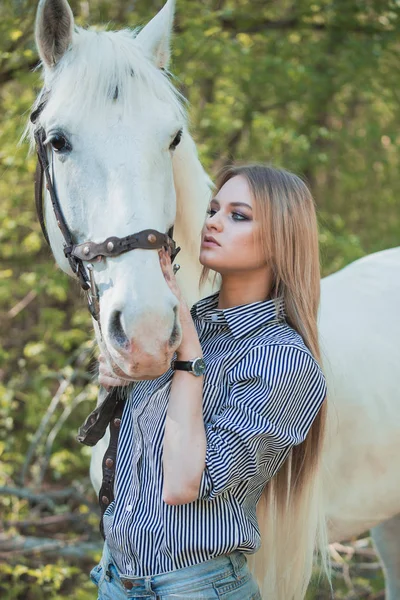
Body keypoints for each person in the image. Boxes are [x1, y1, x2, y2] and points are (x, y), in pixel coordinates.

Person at [91, 164, 328, 600]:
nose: (213, 221)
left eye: (239, 215)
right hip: (115, 580)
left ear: (282, 239)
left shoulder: (283, 360)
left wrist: (189, 360)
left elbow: (183, 483)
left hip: (195, 588)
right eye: (214, 209)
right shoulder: (185, 326)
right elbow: (133, 455)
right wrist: (118, 374)